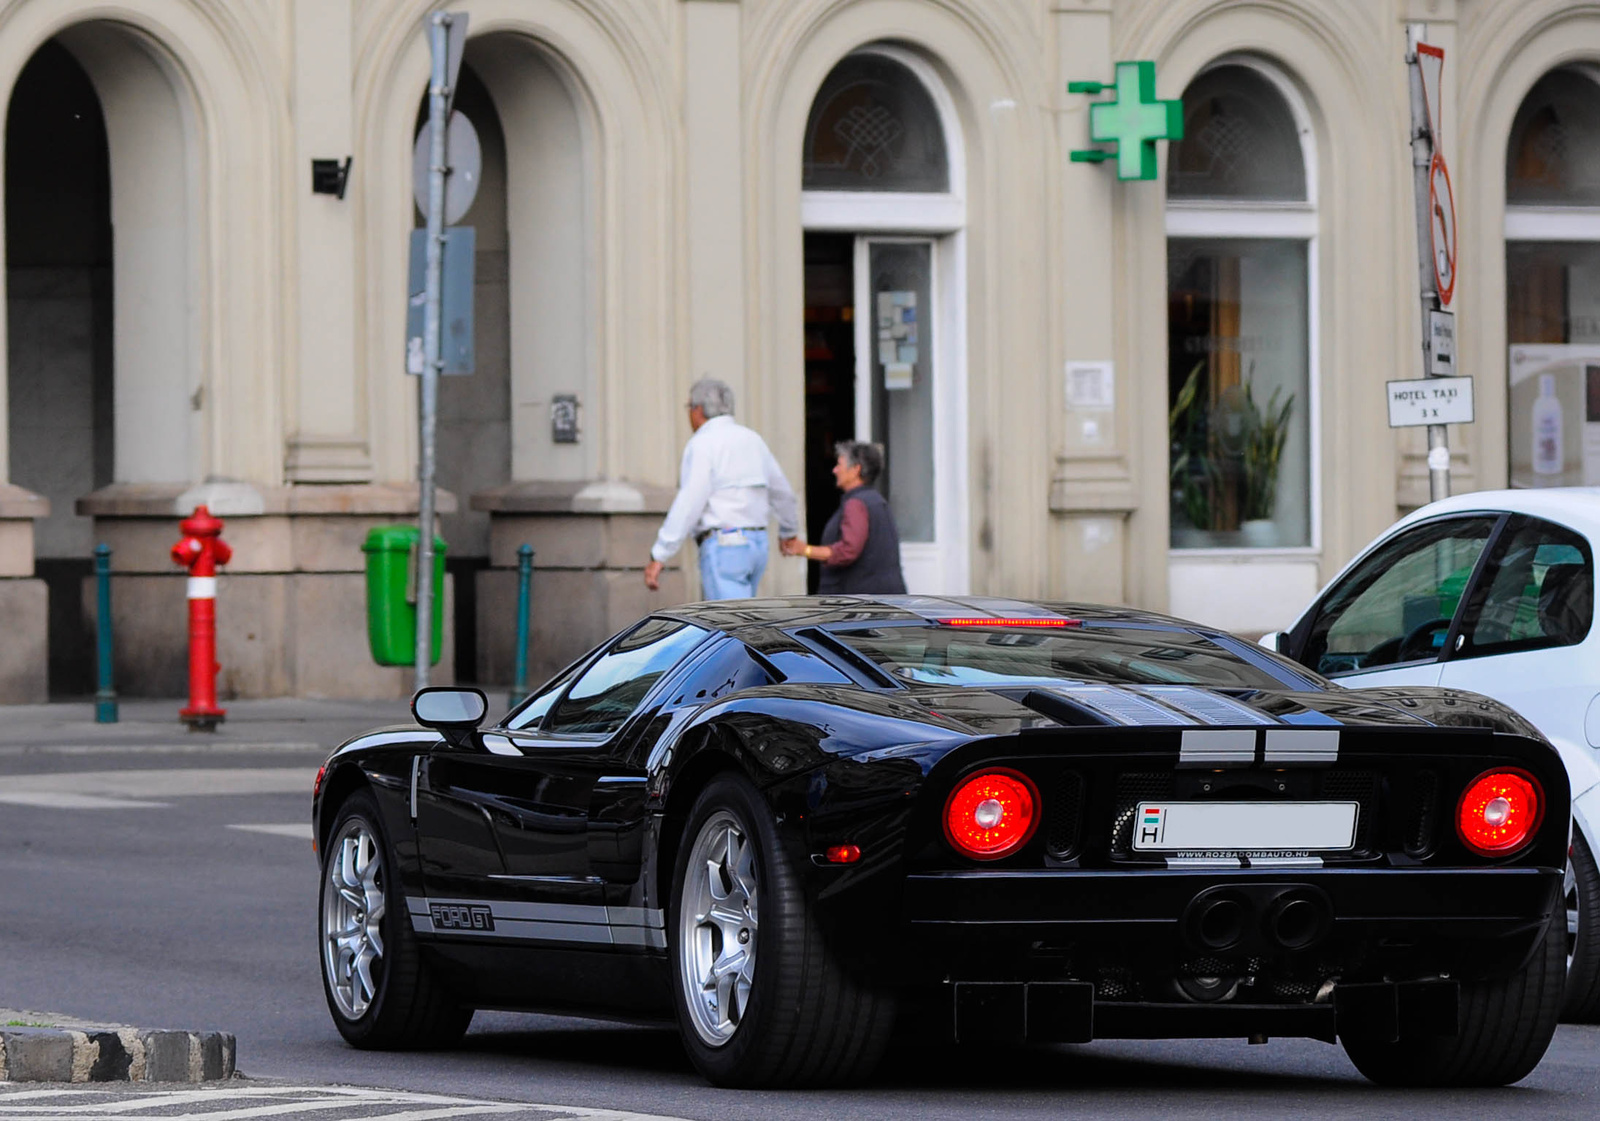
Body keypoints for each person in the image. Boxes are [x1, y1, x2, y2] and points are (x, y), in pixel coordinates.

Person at [645, 377, 801, 600]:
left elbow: (690, 501)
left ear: (698, 409)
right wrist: (788, 531)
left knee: (729, 628)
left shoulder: (702, 443)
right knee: (743, 622)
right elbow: (782, 492)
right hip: (757, 544)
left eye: (689, 407)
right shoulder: (753, 439)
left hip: (725, 545)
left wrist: (660, 553)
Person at [781, 441, 906, 594]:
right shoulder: (876, 501)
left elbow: (848, 551)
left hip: (860, 604)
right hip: (881, 598)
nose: (835, 470)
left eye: (839, 464)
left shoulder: (857, 504)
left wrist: (804, 549)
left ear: (855, 470)